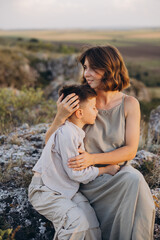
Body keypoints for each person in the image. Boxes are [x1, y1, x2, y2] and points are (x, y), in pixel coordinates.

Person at [45, 45, 155, 240]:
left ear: (109, 69)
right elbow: (49, 144)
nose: (87, 73)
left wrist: (92, 158)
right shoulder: (79, 99)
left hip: (116, 173)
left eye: (93, 68)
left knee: (134, 179)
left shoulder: (130, 104)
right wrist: (60, 117)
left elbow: (130, 150)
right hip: (85, 178)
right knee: (133, 180)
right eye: (85, 68)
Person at [28, 84, 121, 240]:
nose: (97, 112)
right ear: (79, 113)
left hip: (65, 189)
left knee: (91, 223)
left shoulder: (75, 132)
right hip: (45, 190)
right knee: (76, 222)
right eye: (93, 107)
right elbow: (77, 173)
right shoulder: (67, 133)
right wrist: (106, 170)